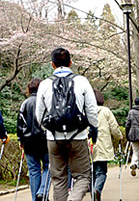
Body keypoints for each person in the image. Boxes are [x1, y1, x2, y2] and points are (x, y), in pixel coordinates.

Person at [36, 47, 99, 201]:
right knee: (83, 176)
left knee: (59, 179)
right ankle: (74, 199)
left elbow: (39, 115)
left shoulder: (44, 84)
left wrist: (50, 130)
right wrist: (93, 128)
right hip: (78, 136)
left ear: (52, 65)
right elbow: (91, 110)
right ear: (71, 62)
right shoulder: (82, 81)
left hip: (54, 139)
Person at [17, 78, 50, 201]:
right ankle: (42, 192)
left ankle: (35, 198)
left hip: (29, 142)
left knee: (33, 170)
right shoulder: (46, 102)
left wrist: (21, 139)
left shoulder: (25, 104)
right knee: (48, 166)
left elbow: (20, 124)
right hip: (44, 141)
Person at [90, 89, 123, 201]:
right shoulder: (106, 111)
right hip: (103, 145)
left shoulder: (86, 111)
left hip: (89, 145)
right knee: (101, 171)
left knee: (91, 172)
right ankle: (97, 190)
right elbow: (114, 127)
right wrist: (119, 137)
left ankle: (93, 194)